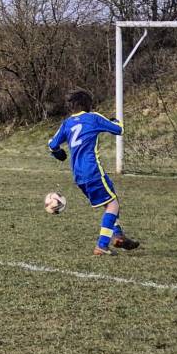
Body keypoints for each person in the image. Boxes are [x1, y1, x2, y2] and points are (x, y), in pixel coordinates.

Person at [48, 89, 139, 256]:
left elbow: (52, 145)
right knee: (113, 205)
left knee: (110, 200)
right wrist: (114, 121)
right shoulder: (93, 118)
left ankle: (118, 235)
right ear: (88, 104)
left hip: (78, 175)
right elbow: (119, 130)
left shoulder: (67, 123)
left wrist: (59, 154)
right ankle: (102, 245)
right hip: (93, 170)